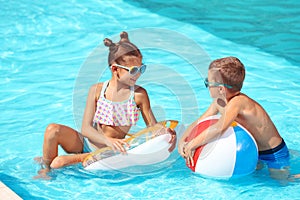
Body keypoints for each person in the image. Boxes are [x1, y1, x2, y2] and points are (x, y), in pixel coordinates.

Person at [36, 31, 175, 177]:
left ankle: (59, 163)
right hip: (89, 143)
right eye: (133, 70)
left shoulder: (139, 95)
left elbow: (152, 126)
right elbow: (86, 128)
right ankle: (45, 169)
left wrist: (166, 132)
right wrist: (106, 140)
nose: (138, 74)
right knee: (52, 130)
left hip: (110, 151)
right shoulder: (97, 90)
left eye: (141, 69)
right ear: (115, 69)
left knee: (59, 162)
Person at [178, 56, 297, 180]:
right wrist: (183, 140)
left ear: (220, 89)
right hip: (253, 152)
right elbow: (200, 121)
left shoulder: (238, 102)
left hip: (273, 153)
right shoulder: (219, 102)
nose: (207, 86)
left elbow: (219, 128)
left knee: (281, 182)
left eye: (208, 82)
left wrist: (192, 144)